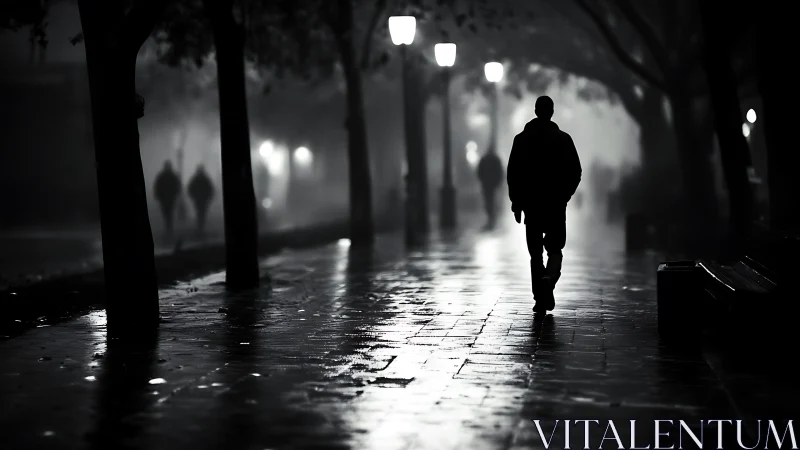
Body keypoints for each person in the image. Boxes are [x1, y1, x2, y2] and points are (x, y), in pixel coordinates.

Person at [507, 96, 582, 313]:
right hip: (555, 205)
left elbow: (514, 175)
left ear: (535, 110)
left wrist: (517, 203)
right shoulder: (563, 139)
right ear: (552, 112)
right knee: (556, 248)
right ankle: (549, 278)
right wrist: (564, 196)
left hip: (532, 205)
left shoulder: (521, 140)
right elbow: (575, 172)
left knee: (535, 253)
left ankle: (540, 298)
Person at [477, 146, 505, 230]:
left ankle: (491, 219)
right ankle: (492, 219)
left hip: (487, 183)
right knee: (491, 201)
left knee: (488, 201)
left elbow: (479, 171)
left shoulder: (484, 159)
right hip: (492, 183)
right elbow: (500, 171)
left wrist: (482, 179)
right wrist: (498, 181)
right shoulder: (495, 159)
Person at [154, 160, 182, 239]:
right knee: (169, 213)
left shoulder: (162, 176)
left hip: (166, 198)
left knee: (166, 213)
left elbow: (157, 187)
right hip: (169, 198)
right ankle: (169, 227)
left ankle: (168, 227)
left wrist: (158, 196)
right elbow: (177, 186)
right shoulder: (172, 176)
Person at [188, 164, 215, 236]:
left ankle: (200, 226)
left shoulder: (196, 179)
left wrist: (193, 196)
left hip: (200, 198)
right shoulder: (205, 178)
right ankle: (200, 226)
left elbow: (190, 188)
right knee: (201, 212)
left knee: (200, 212)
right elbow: (210, 189)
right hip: (201, 198)